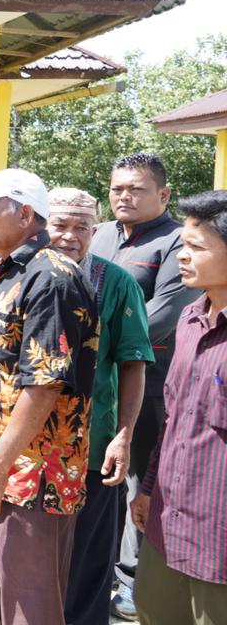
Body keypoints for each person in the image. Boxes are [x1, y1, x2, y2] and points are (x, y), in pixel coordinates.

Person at [0, 169, 98, 625]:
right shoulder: (6, 270)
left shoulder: (51, 277)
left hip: (31, 477)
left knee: (29, 608)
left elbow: (44, 386)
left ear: (26, 214)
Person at [89, 153, 202, 620]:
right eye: (117, 188)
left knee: (139, 481)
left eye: (135, 189)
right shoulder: (98, 234)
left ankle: (132, 580)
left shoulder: (177, 243)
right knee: (101, 475)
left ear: (164, 195)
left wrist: (84, 341)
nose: (124, 196)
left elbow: (160, 319)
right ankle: (97, 569)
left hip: (149, 384)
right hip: (95, 384)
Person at [42, 187, 154, 625]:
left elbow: (133, 364)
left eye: (82, 227)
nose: (70, 236)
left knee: (89, 559)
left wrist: (123, 436)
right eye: (60, 225)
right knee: (29, 550)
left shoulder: (116, 282)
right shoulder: (25, 274)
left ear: (96, 230)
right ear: (41, 225)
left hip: (93, 444)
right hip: (28, 449)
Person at [131, 190, 227, 624]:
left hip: (219, 536)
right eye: (183, 246)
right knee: (153, 611)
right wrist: (149, 487)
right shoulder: (189, 322)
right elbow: (173, 420)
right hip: (168, 524)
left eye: (197, 248)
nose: (182, 258)